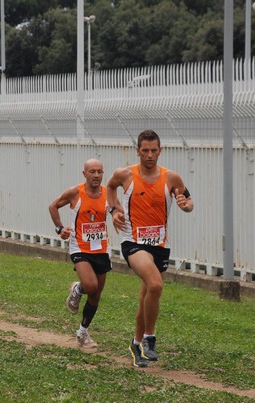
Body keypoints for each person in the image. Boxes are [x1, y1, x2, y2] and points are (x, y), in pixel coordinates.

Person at [106, 129, 194, 368]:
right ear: (137, 151)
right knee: (155, 285)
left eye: (154, 150)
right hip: (133, 242)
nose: (149, 155)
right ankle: (150, 338)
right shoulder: (125, 175)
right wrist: (114, 210)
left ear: (160, 150)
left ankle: (136, 343)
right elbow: (110, 188)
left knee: (147, 295)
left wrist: (186, 205)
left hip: (160, 245)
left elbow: (188, 201)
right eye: (144, 151)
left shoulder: (171, 178)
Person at [49, 159, 120, 349]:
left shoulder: (108, 193)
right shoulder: (75, 193)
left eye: (100, 172)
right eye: (92, 172)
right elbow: (53, 206)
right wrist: (60, 228)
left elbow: (117, 210)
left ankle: (82, 332)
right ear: (84, 173)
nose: (96, 175)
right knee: (90, 285)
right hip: (79, 247)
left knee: (96, 295)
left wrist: (117, 216)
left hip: (100, 248)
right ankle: (78, 289)